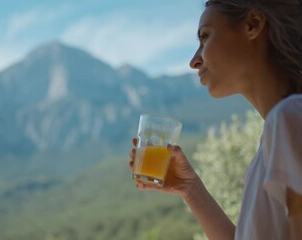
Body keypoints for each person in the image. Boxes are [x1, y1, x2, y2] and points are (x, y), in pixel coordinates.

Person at [128, 0, 302, 239]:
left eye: (205, 37)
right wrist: (190, 189)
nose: (194, 61)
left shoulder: (290, 119)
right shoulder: (273, 140)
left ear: (253, 24)